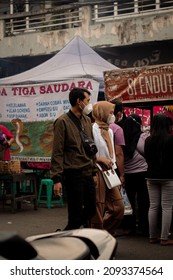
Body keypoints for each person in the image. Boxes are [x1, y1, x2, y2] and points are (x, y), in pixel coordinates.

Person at [50, 87, 97, 230]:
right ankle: (70, 240)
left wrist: (94, 171)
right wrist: (56, 179)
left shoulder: (87, 121)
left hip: (88, 171)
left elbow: (91, 147)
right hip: (73, 173)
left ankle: (66, 233)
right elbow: (57, 151)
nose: (90, 104)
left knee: (91, 209)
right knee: (75, 213)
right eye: (88, 100)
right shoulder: (62, 122)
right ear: (79, 101)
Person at [90, 101, 124, 237]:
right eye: (110, 112)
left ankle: (104, 234)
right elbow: (89, 152)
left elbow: (112, 155)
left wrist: (116, 173)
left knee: (119, 207)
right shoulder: (91, 129)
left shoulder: (109, 130)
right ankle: (96, 240)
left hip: (109, 172)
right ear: (102, 112)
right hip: (97, 170)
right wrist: (99, 159)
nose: (112, 115)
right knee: (98, 207)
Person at [144, 113, 173, 245]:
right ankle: (164, 238)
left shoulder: (148, 140)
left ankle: (152, 236)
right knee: (167, 207)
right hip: (168, 176)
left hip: (151, 176)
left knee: (153, 206)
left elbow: (147, 157)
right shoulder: (170, 140)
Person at [122, 113, 149, 236]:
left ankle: (130, 226)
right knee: (144, 202)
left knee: (129, 202)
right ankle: (144, 227)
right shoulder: (142, 137)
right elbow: (146, 152)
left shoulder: (122, 137)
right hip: (142, 173)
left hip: (127, 174)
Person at [110, 100, 125, 186]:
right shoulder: (117, 129)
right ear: (119, 113)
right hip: (113, 168)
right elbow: (118, 153)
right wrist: (122, 174)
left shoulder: (96, 126)